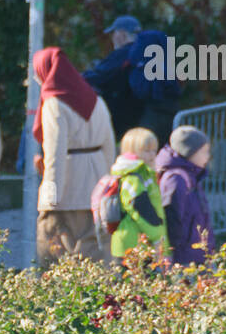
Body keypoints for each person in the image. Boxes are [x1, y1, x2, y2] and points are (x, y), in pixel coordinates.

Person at [33, 46, 116, 267]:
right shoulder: (97, 101)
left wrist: (49, 198)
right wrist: (107, 185)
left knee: (55, 253)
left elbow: (55, 154)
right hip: (97, 184)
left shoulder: (54, 104)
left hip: (69, 190)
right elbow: (109, 146)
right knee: (95, 253)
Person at [155, 125, 214, 267]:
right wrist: (175, 252)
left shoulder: (191, 175)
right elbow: (172, 218)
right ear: (189, 152)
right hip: (184, 257)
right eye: (204, 152)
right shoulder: (176, 179)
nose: (208, 156)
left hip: (196, 253)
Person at [109, 127, 167, 262]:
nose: (152, 155)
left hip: (140, 241)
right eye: (147, 151)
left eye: (154, 150)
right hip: (132, 243)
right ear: (132, 151)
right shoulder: (133, 178)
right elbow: (141, 210)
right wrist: (157, 237)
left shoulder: (145, 174)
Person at [82, 14, 143, 142]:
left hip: (122, 114)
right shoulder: (145, 52)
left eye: (113, 33)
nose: (112, 37)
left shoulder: (123, 53)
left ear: (122, 34)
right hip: (142, 112)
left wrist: (79, 77)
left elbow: (100, 76)